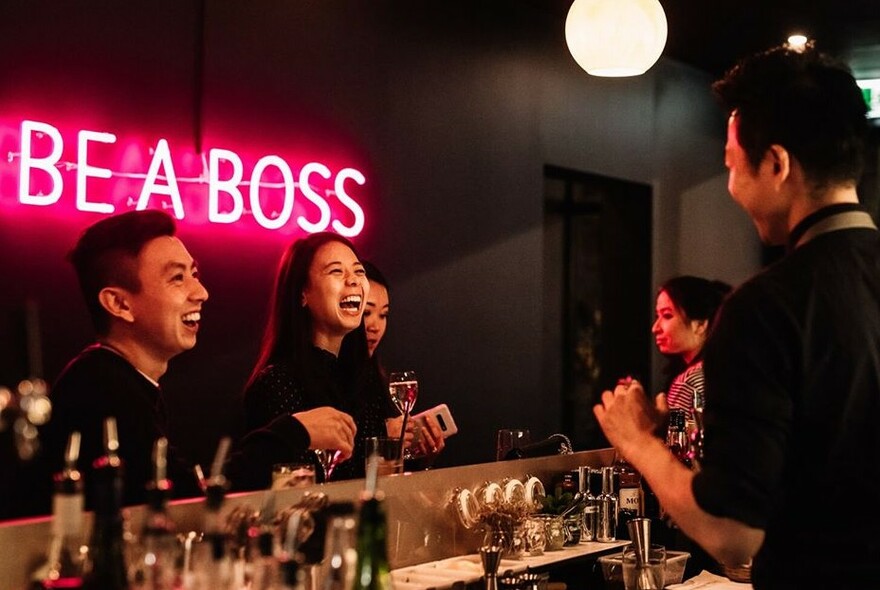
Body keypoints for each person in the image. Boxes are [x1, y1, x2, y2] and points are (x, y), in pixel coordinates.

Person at [594, 45, 880, 588]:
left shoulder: (764, 308)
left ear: (775, 164)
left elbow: (732, 533)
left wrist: (637, 442)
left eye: (730, 164)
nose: (730, 186)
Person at [25, 210, 356, 515]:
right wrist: (292, 432)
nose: (201, 292)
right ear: (119, 303)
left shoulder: (123, 381)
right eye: (177, 278)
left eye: (194, 274)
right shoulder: (100, 389)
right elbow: (187, 508)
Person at [244, 234, 409, 481]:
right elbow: (295, 488)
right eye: (336, 271)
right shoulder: (277, 382)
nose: (353, 280)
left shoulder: (364, 380)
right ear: (302, 294)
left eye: (358, 271)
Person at [362, 260, 445, 458]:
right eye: (366, 313)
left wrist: (421, 456)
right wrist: (383, 436)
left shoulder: (372, 376)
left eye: (384, 315)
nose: (376, 326)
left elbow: (384, 471)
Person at [652, 276, 731, 412]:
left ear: (700, 325)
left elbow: (679, 432)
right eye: (657, 316)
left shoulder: (690, 382)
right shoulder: (726, 371)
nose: (655, 328)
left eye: (667, 316)